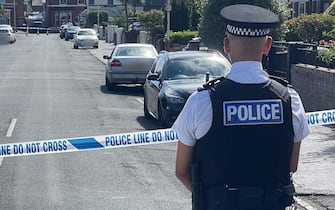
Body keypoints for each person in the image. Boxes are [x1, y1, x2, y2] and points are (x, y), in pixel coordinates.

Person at [172, 4, 310, 210]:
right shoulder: (289, 99)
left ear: (226, 45)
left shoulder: (201, 101)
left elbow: (182, 171)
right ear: (267, 45)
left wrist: (212, 199)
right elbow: (291, 166)